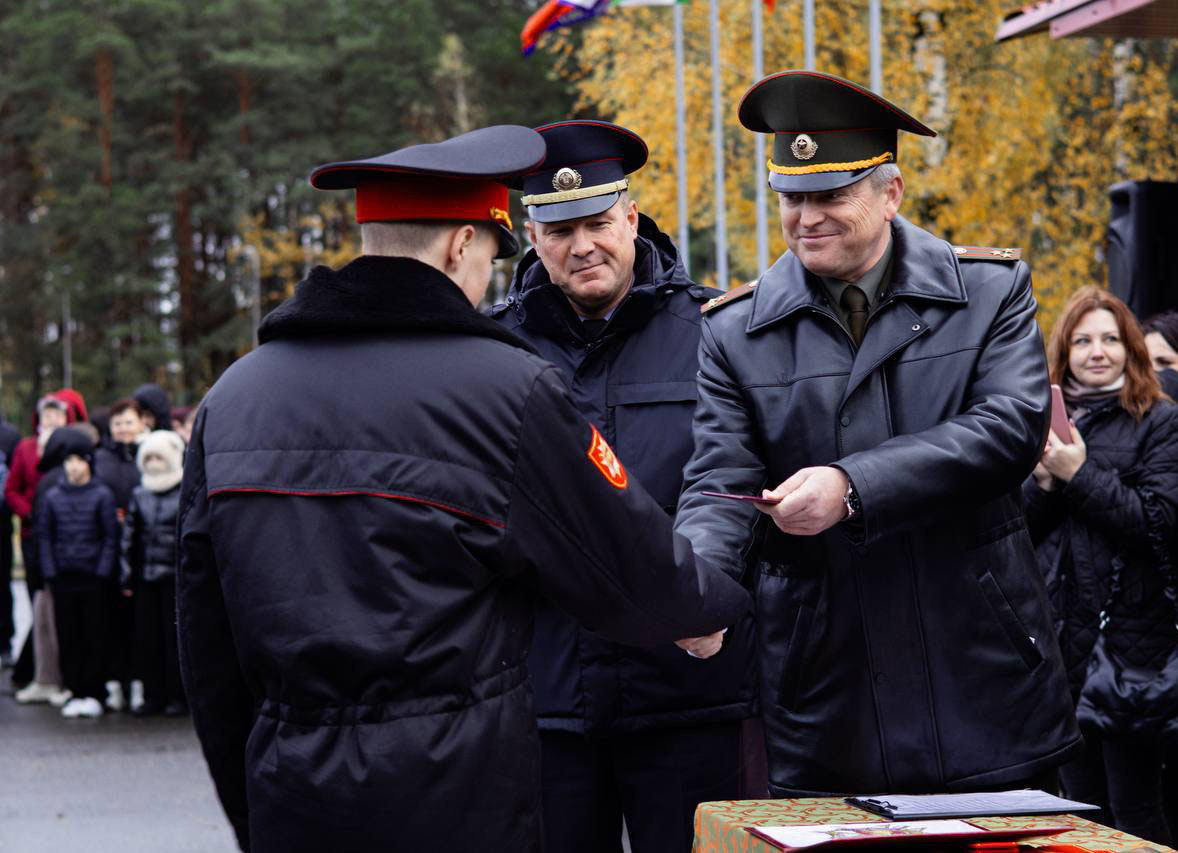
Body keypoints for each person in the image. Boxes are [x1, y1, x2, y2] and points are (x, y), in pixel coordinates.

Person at [176, 125, 750, 853]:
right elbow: (620, 551)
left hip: (293, 787)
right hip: (465, 783)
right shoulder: (502, 385)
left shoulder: (231, 398)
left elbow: (204, 637)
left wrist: (252, 803)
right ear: (461, 245)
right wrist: (711, 607)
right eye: (492, 254)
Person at [673, 70, 1081, 797]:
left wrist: (851, 486)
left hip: (983, 676)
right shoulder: (735, 332)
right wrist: (701, 589)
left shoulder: (989, 292)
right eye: (791, 198)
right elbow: (719, 483)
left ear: (890, 193)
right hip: (827, 690)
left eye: (830, 195)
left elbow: (1009, 429)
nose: (806, 218)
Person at [490, 119, 756, 853]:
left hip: (691, 693)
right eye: (560, 230)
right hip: (547, 697)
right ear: (532, 237)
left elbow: (743, 484)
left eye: (599, 224)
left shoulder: (718, 333)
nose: (583, 246)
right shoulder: (494, 350)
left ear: (632, 219)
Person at [1025, 287, 1178, 844]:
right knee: (1077, 812)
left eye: (1111, 339)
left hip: (1131, 643)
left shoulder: (1160, 420)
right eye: (1083, 340)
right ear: (1064, 352)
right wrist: (1045, 484)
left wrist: (1078, 475)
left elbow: (1157, 524)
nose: (1097, 352)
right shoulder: (1039, 422)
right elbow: (1015, 531)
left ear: (1131, 349)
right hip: (1059, 641)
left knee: (1134, 808)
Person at [38, 428, 118, 719]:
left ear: (88, 463)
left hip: (93, 578)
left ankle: (95, 692)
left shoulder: (102, 495)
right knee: (68, 636)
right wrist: (51, 571)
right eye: (69, 461)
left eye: (79, 460)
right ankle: (75, 690)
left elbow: (110, 537)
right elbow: (45, 537)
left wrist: (102, 571)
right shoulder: (53, 497)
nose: (73, 466)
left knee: (95, 635)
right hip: (64, 577)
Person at [121, 429, 186, 716]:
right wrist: (126, 575)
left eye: (159, 457)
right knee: (147, 640)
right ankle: (152, 695)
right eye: (149, 458)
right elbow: (129, 538)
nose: (154, 463)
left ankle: (177, 696)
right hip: (146, 579)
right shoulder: (140, 494)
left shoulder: (184, 491)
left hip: (174, 580)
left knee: (174, 642)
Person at [95, 396, 150, 712]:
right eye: (118, 423)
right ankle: (114, 682)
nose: (124, 428)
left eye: (129, 422)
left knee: (141, 622)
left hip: (143, 548)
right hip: (109, 546)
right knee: (110, 620)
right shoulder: (100, 457)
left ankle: (140, 682)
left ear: (141, 423)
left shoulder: (150, 451)